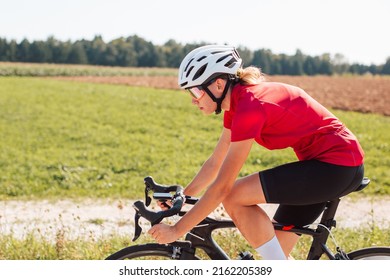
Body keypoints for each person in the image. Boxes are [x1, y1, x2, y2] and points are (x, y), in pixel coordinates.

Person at [148, 45, 365, 260]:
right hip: (325, 166)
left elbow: (222, 187)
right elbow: (216, 162)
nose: (193, 99)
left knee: (234, 195)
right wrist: (183, 197)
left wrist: (177, 230)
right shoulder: (236, 104)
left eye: (196, 90)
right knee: (276, 252)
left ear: (218, 84)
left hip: (336, 167)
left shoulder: (250, 106)